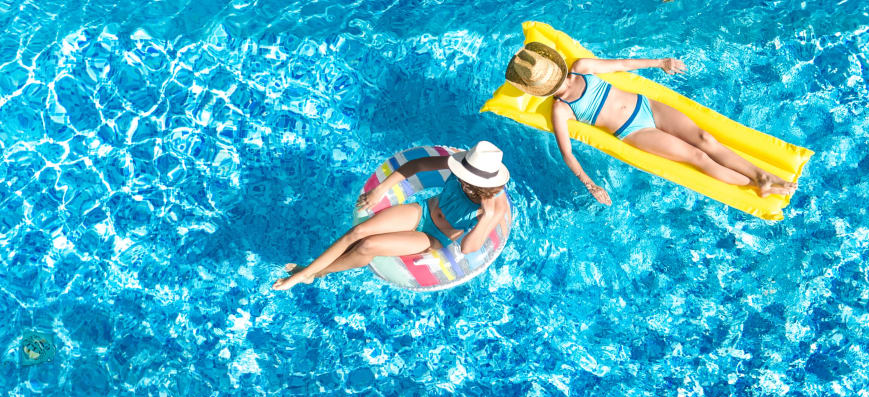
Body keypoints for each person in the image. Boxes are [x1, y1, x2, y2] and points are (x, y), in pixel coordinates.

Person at [504, 42, 798, 205]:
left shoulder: (581, 67)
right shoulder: (560, 109)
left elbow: (620, 64)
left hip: (648, 106)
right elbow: (567, 153)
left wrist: (660, 62)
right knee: (697, 156)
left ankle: (763, 177)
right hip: (634, 131)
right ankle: (755, 185)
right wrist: (590, 185)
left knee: (705, 138)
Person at [272, 141, 511, 290]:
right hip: (422, 211)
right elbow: (416, 166)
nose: (461, 178)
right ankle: (305, 272)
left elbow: (468, 248)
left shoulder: (494, 206)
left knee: (368, 245)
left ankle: (314, 273)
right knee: (358, 231)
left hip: (433, 237)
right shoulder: (462, 165)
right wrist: (381, 189)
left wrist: (487, 216)